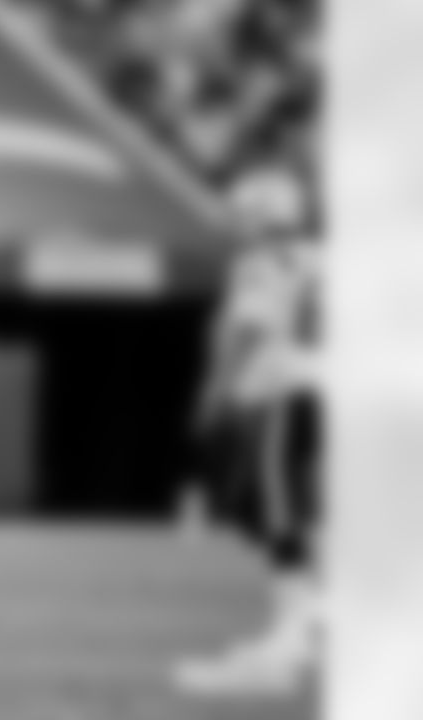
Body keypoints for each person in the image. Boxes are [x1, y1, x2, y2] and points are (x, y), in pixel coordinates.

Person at [174, 240, 322, 695]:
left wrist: (218, 394)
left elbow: (246, 332)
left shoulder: (272, 258)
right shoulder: (298, 257)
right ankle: (299, 634)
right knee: (286, 518)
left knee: (282, 516)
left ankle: (298, 640)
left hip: (288, 391)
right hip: (305, 390)